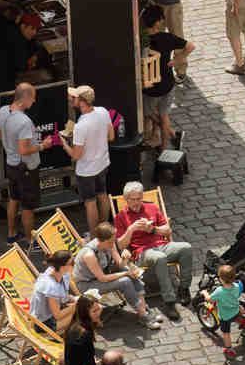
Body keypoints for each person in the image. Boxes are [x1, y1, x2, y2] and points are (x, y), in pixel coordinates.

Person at [114, 181, 194, 318]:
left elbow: (167, 230)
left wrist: (153, 229)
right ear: (126, 199)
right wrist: (131, 229)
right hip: (141, 252)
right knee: (159, 258)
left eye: (139, 198)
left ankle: (184, 288)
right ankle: (169, 301)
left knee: (186, 248)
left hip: (161, 245)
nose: (136, 202)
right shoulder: (120, 217)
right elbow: (120, 245)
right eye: (132, 199)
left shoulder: (152, 207)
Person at [75, 221, 162, 326]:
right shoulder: (89, 255)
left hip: (102, 277)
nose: (113, 244)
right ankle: (143, 314)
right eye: (110, 242)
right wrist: (125, 274)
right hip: (88, 284)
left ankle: (143, 308)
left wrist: (125, 259)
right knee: (125, 281)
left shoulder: (109, 243)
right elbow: (102, 278)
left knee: (131, 273)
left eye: (113, 241)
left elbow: (120, 264)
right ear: (100, 240)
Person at [0, 82, 42, 246]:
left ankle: (12, 234)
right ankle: (30, 240)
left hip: (11, 164)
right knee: (28, 206)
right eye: (33, 98)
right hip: (26, 168)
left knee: (14, 198)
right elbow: (24, 150)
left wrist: (10, 144)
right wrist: (43, 145)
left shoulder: (2, 112)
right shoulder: (24, 121)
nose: (34, 102)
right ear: (25, 98)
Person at [139, 9, 190, 153]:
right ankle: (164, 148)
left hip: (150, 88)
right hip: (168, 84)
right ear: (158, 22)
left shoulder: (141, 41)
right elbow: (190, 46)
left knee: (148, 113)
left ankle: (169, 134)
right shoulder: (167, 38)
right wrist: (176, 60)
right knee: (164, 115)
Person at [64, 84, 113, 232]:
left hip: (86, 171)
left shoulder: (81, 126)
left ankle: (94, 236)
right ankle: (105, 230)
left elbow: (76, 155)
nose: (71, 99)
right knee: (102, 195)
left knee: (90, 202)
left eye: (74, 97)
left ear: (82, 101)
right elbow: (111, 136)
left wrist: (64, 144)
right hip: (103, 163)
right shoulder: (103, 112)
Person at [58, 295, 102, 365]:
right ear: (85, 313)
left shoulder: (74, 325)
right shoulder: (84, 334)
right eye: (94, 311)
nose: (98, 313)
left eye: (98, 309)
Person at [29, 249, 74, 329]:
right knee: (83, 312)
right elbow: (58, 316)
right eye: (72, 263)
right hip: (44, 325)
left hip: (47, 314)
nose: (74, 264)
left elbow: (62, 297)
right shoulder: (51, 287)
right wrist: (75, 306)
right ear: (63, 267)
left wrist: (72, 299)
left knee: (86, 306)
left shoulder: (53, 271)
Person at [209, 263, 245, 358]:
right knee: (238, 318)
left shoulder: (219, 291)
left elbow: (210, 299)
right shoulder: (236, 286)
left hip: (225, 316)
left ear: (221, 279)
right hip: (235, 309)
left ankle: (229, 348)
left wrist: (204, 293)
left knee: (226, 333)